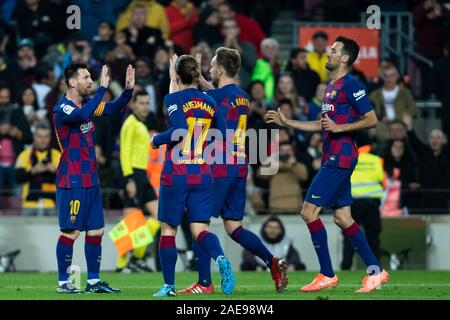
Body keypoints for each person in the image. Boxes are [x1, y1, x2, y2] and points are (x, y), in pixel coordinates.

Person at [265, 36, 390, 293]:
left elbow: (371, 119)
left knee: (309, 211)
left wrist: (340, 127)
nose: (328, 53)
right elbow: (321, 124)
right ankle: (376, 272)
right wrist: (289, 123)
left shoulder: (351, 84)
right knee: (343, 218)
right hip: (332, 155)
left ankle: (327, 274)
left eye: (333, 50)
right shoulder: (331, 86)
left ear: (344, 58)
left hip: (340, 156)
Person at [178, 47, 288, 295]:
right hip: (240, 165)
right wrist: (202, 81)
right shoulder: (242, 97)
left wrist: (189, 79)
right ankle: (272, 262)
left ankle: (205, 283)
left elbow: (204, 99)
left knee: (198, 222)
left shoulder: (216, 97)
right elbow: (215, 93)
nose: (209, 70)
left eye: (212, 66)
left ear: (219, 69)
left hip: (219, 164)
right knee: (233, 226)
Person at [150, 54, 235, 297]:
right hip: (202, 172)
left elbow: (176, 130)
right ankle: (220, 257)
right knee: (199, 230)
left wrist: (156, 139)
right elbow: (224, 134)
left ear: (176, 76)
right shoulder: (210, 102)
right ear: (198, 75)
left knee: (168, 229)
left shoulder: (173, 98)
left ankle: (168, 286)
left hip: (177, 172)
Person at [53, 63, 135, 293]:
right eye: (86, 77)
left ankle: (93, 282)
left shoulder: (88, 106)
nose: (91, 81)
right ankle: (62, 283)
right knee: (71, 231)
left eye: (92, 77)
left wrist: (128, 91)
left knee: (97, 230)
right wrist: (102, 89)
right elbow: (81, 115)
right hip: (72, 179)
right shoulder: (63, 108)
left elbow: (112, 108)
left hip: (91, 178)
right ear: (72, 81)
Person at [117, 90, 160, 273]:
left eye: (147, 103)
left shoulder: (141, 124)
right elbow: (124, 152)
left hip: (142, 175)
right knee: (130, 223)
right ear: (133, 104)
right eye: (141, 103)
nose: (145, 107)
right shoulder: (130, 124)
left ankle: (136, 257)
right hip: (133, 173)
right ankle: (122, 264)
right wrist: (129, 179)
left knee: (158, 216)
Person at [341, 133, 384, 270]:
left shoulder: (349, 158)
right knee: (373, 236)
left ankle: (346, 266)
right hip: (371, 203)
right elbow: (380, 177)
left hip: (353, 203)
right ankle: (376, 266)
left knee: (350, 235)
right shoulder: (376, 159)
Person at [15, 124, 61, 216]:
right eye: (40, 137)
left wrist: (55, 171)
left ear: (50, 138)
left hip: (51, 204)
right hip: (29, 204)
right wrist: (33, 171)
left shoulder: (57, 155)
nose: (43, 140)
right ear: (34, 137)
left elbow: (68, 180)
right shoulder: (25, 155)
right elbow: (17, 178)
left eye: (46, 137)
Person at [241, 216, 306, 272]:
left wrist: (292, 265)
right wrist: (256, 266)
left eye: (276, 228)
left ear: (280, 230)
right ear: (264, 229)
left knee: (301, 266)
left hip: (280, 269)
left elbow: (294, 255)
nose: (272, 230)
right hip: (260, 268)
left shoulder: (286, 241)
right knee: (245, 265)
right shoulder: (256, 239)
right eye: (270, 227)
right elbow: (247, 254)